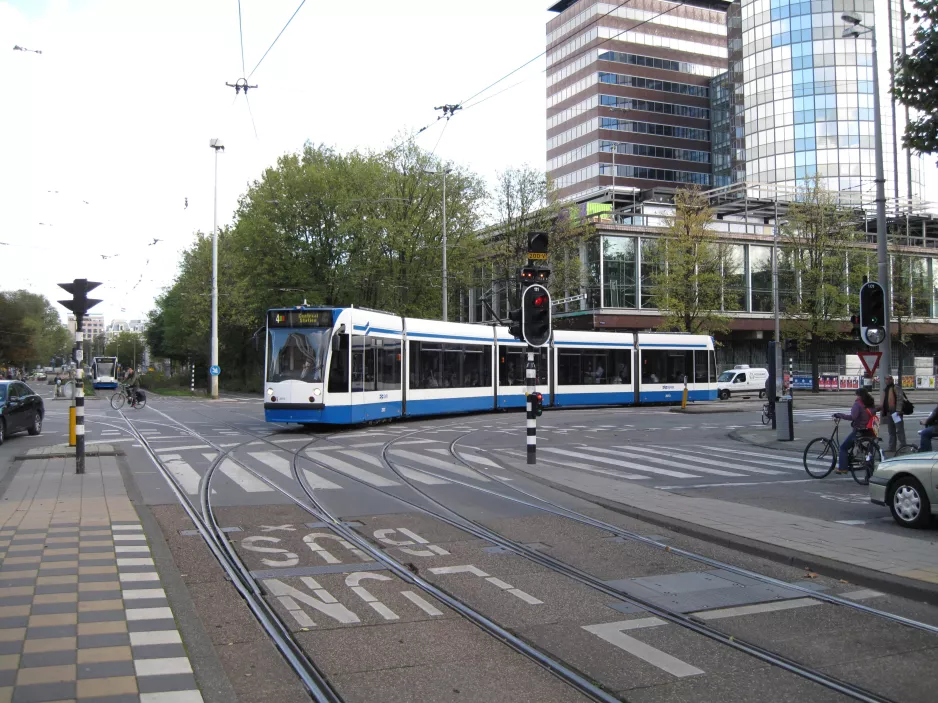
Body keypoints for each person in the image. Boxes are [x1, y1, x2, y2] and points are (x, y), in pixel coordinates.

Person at [833, 389, 876, 474]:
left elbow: (853, 417)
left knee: (843, 447)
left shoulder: (858, 404)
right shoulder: (870, 403)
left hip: (859, 431)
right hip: (870, 431)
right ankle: (869, 474)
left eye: (856, 395)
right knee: (868, 451)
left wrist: (839, 415)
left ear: (859, 395)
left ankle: (843, 468)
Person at [879, 375, 906, 452]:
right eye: (886, 379)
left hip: (896, 413)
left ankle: (903, 446)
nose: (887, 380)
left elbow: (900, 399)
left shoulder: (896, 388)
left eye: (889, 379)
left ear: (892, 380)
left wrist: (898, 410)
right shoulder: (886, 389)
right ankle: (892, 447)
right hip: (889, 413)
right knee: (891, 431)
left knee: (899, 430)